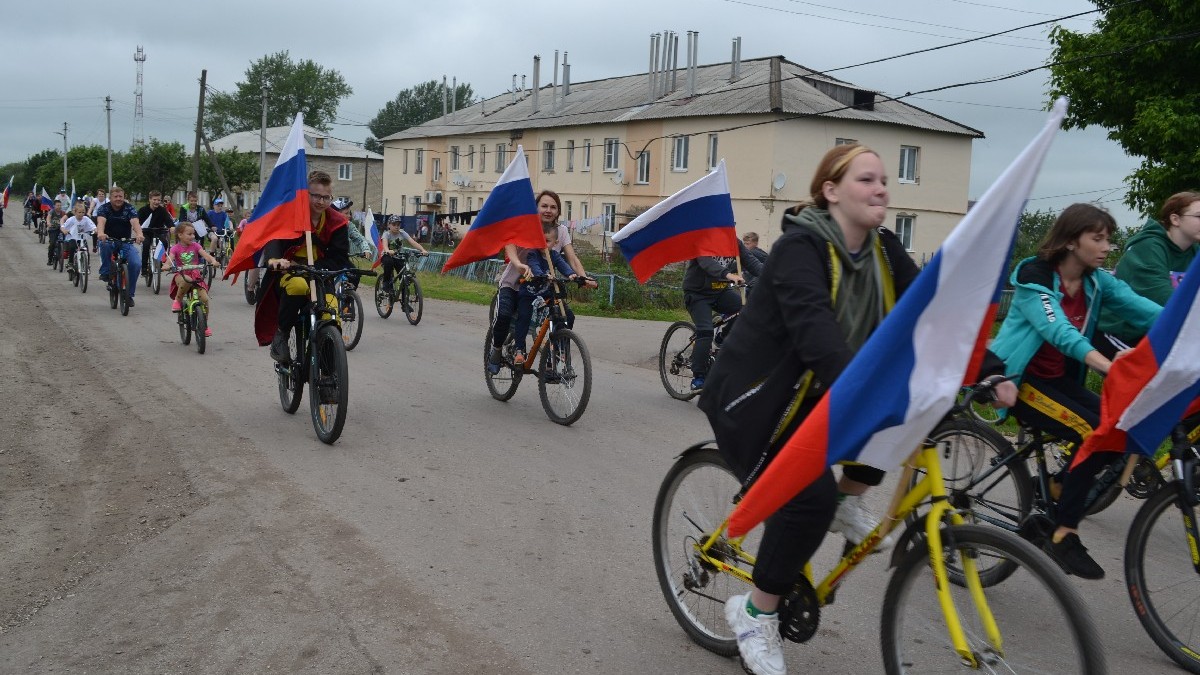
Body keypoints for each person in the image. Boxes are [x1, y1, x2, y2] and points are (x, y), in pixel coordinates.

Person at [698, 144, 1016, 675]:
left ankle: (849, 497)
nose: (881, 188)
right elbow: (816, 334)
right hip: (759, 401)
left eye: (884, 180)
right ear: (830, 190)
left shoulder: (883, 248)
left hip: (823, 397)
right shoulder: (799, 249)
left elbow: (929, 313)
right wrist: (865, 388)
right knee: (806, 501)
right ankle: (755, 611)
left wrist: (989, 367)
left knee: (913, 416)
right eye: (867, 179)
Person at [990, 203, 1161, 580]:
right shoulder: (1035, 276)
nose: (1107, 246)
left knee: (1116, 429)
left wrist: (1182, 324)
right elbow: (1059, 332)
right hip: (1021, 380)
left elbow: (1145, 309)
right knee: (1093, 432)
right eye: (1097, 238)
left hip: (1060, 381)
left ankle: (1054, 485)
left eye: (1109, 239)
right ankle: (1063, 531)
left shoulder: (1096, 281)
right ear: (1070, 240)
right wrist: (1109, 365)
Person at [487, 190, 596, 373]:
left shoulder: (560, 232)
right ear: (535, 208)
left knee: (565, 316)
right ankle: (497, 349)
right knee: (505, 315)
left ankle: (553, 355)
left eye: (553, 207)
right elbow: (510, 246)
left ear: (558, 211)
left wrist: (583, 278)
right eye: (544, 206)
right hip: (516, 283)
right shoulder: (524, 226)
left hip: (545, 285)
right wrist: (518, 264)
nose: (548, 210)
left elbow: (571, 258)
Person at [259, 171, 351, 362]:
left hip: (319, 274)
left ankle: (328, 372)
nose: (321, 201)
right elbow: (274, 239)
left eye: (326, 197)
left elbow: (339, 256)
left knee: (332, 313)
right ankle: (281, 335)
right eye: (316, 195)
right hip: (290, 271)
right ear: (305, 194)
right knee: (298, 286)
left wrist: (316, 267)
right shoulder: (290, 216)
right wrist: (276, 259)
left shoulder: (338, 222)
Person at [1095, 191, 1200, 356]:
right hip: (1121, 330)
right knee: (1148, 376)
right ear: (1175, 219)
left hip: (1159, 329)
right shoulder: (1148, 247)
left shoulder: (1194, 251)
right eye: (1198, 216)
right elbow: (1164, 297)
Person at [682, 239, 764, 391]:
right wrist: (728, 275)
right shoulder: (703, 240)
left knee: (745, 311)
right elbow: (707, 264)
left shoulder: (734, 242)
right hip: (697, 294)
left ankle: (722, 338)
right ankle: (698, 377)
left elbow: (752, 262)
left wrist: (772, 275)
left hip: (720, 292)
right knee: (705, 331)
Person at [511, 229, 579, 363]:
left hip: (546, 294)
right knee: (524, 316)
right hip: (529, 294)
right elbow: (534, 266)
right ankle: (519, 349)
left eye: (547, 241)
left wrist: (571, 274)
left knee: (567, 316)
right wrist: (541, 274)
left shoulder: (554, 255)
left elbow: (563, 265)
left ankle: (559, 347)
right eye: (540, 241)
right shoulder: (533, 254)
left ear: (555, 243)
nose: (543, 244)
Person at [165, 221, 221, 336]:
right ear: (180, 235)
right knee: (187, 281)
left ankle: (204, 325)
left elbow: (206, 256)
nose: (192, 236)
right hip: (181, 275)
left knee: (205, 299)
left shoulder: (196, 246)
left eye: (193, 234)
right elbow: (169, 259)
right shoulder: (175, 248)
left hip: (195, 275)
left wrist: (213, 261)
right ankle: (178, 300)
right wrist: (167, 265)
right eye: (189, 234)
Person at [95, 186, 145, 306]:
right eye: (115, 196)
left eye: (120, 196)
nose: (118, 199)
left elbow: (135, 222)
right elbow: (101, 222)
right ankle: (106, 271)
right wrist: (101, 233)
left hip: (125, 242)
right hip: (109, 240)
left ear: (124, 197)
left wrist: (139, 234)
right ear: (110, 198)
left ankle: (129, 294)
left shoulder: (129, 208)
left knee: (136, 263)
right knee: (105, 245)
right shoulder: (104, 208)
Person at [378, 214, 427, 295]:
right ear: (389, 225)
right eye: (394, 224)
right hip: (387, 256)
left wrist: (422, 250)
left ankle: (405, 303)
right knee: (388, 263)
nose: (396, 227)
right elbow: (385, 245)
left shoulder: (402, 233)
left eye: (398, 225)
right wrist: (388, 250)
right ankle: (386, 283)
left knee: (404, 277)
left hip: (398, 256)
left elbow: (413, 242)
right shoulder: (386, 234)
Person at [138, 191, 173, 273]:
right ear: (150, 199)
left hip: (158, 232)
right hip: (146, 232)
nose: (156, 202)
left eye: (158, 200)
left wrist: (171, 227)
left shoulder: (162, 210)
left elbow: (168, 220)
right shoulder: (143, 210)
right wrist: (138, 229)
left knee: (164, 242)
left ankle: (159, 260)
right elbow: (137, 222)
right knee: (146, 244)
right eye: (154, 200)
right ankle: (144, 267)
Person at [60, 202, 96, 273]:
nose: (81, 214)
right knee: (72, 248)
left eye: (83, 212)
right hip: (72, 237)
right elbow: (63, 226)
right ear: (75, 212)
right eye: (79, 212)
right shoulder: (72, 219)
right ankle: (70, 263)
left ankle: (87, 266)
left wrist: (96, 230)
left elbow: (93, 226)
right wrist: (64, 230)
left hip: (82, 238)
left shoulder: (86, 219)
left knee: (86, 251)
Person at [45, 200, 67, 265]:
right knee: (52, 244)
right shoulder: (52, 212)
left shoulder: (63, 213)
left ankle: (64, 253)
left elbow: (67, 220)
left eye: (60, 205)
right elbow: (48, 218)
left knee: (66, 241)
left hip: (61, 229)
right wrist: (48, 223)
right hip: (53, 229)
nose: (59, 207)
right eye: (57, 205)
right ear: (54, 206)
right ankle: (50, 259)